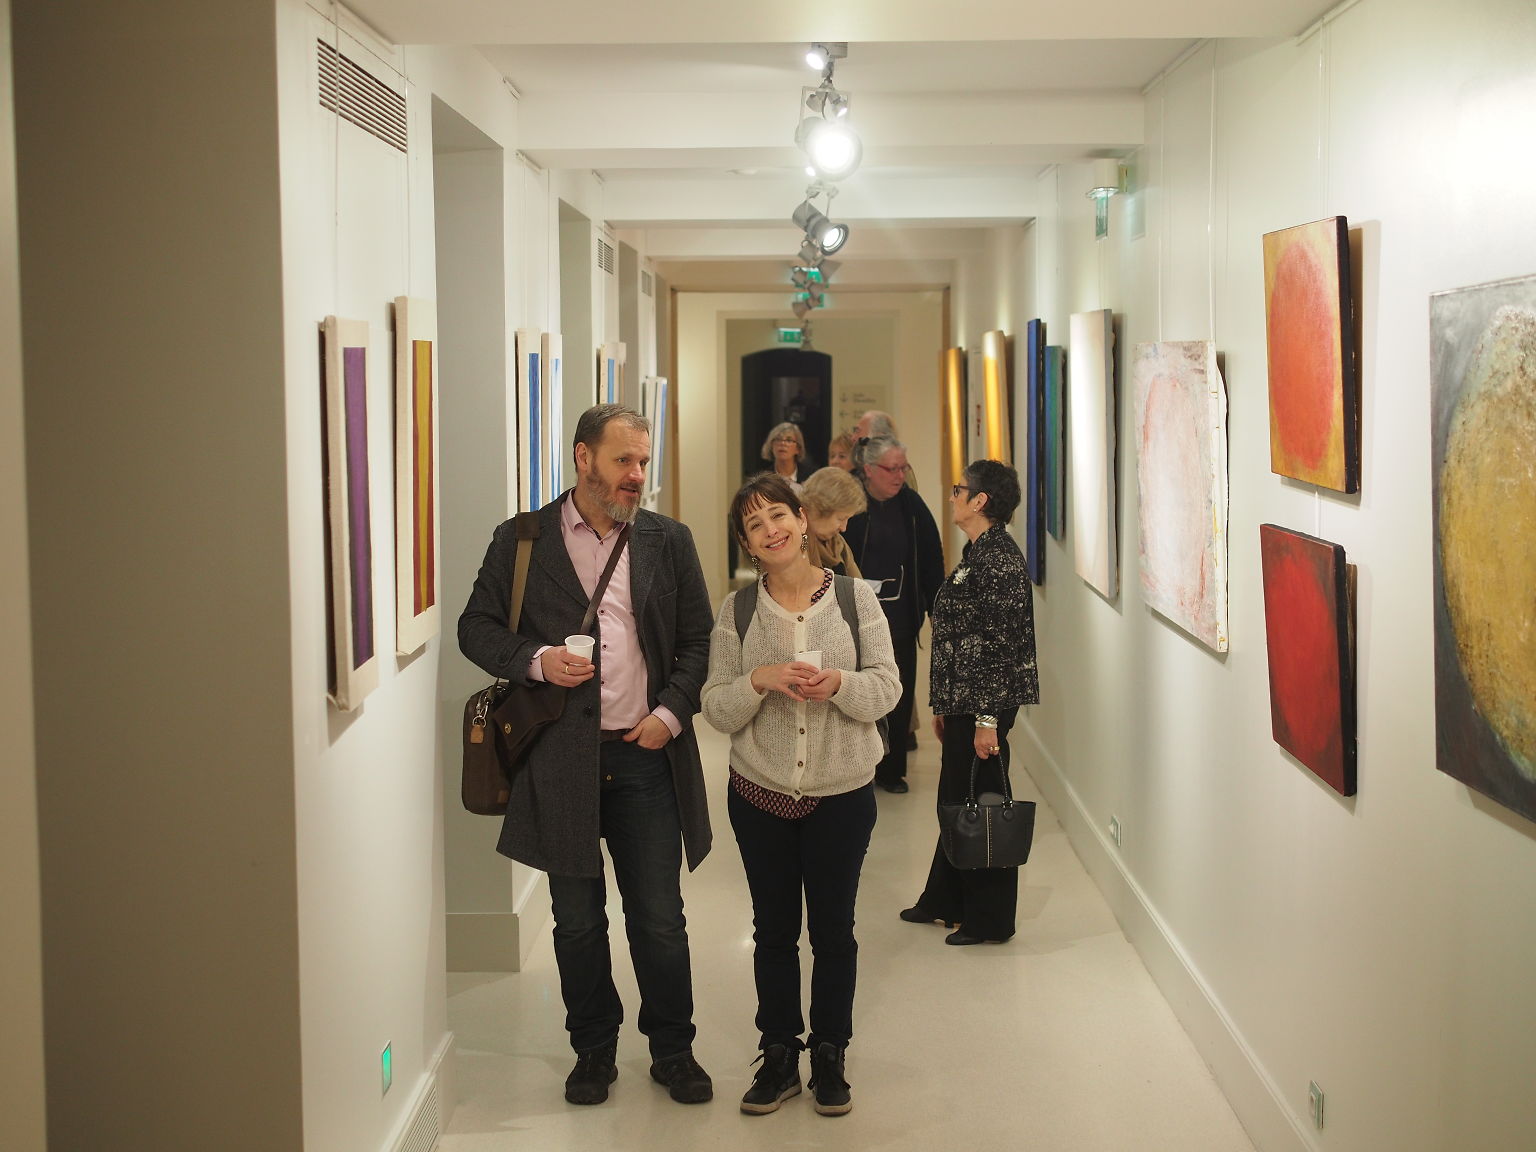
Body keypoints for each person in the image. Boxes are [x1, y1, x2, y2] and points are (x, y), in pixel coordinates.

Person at [458, 404, 716, 1107]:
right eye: (623, 460)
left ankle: (673, 1050)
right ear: (583, 457)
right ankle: (593, 1050)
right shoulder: (522, 539)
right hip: (558, 759)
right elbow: (475, 627)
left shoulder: (667, 540)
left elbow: (698, 642)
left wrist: (670, 714)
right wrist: (536, 659)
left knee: (659, 918)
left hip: (645, 756)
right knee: (576, 921)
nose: (637, 474)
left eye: (643, 461)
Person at [702, 474, 900, 1117]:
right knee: (774, 931)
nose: (771, 530)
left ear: (803, 519)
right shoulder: (736, 611)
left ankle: (831, 1052)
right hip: (759, 792)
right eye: (755, 524)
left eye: (779, 515)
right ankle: (780, 1052)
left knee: (834, 931)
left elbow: (887, 688)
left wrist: (839, 683)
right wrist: (758, 679)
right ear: (747, 544)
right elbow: (716, 707)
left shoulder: (854, 599)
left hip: (841, 793)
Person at [900, 460, 1038, 945]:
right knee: (957, 799)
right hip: (965, 701)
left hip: (985, 705)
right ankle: (944, 899)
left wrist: (985, 721)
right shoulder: (978, 551)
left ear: (980, 501)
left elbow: (1000, 648)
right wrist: (946, 706)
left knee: (983, 805)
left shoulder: (999, 560)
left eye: (959, 489)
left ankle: (989, 920)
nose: (952, 495)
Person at [843, 435, 944, 792]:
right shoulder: (851, 502)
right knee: (858, 694)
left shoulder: (911, 506)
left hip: (900, 618)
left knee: (896, 696)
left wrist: (936, 610)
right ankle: (856, 768)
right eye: (892, 469)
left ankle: (891, 769)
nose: (900, 475)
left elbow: (931, 560)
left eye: (904, 468)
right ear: (869, 469)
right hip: (853, 620)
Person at [799, 466, 866, 577]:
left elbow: (859, 586)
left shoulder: (839, 544)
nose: (843, 528)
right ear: (817, 509)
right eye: (841, 519)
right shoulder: (793, 545)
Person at [761, 421, 813, 491]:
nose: (783, 443)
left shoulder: (810, 477)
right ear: (771, 446)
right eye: (778, 439)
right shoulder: (763, 479)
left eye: (789, 440)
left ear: (798, 448)